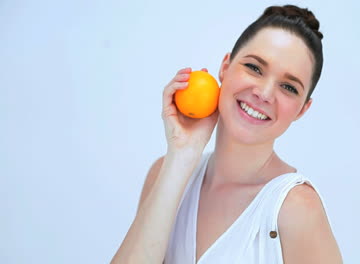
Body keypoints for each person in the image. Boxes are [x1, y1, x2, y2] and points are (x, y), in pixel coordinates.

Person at [112, 4, 342, 264]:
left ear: (302, 109)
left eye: (288, 87)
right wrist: (181, 156)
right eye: (255, 68)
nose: (264, 94)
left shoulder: (297, 209)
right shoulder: (164, 174)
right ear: (225, 67)